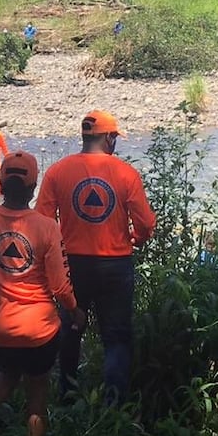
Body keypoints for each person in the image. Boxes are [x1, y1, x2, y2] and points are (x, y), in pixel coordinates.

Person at [0, 151, 84, 436]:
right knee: (37, 390)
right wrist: (74, 310)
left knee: (6, 371)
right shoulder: (47, 227)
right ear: (33, 187)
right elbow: (59, 285)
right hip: (39, 330)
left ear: (0, 183)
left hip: (0, 327)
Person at [36, 110, 156, 405]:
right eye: (115, 136)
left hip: (72, 265)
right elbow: (146, 224)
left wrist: (54, 258)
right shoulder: (126, 173)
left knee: (71, 329)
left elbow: (42, 222)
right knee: (116, 337)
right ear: (108, 137)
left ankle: (67, 395)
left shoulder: (58, 172)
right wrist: (134, 240)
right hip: (115, 265)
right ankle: (113, 404)